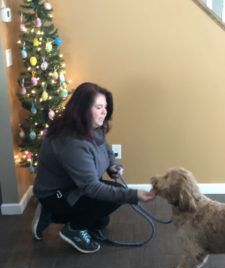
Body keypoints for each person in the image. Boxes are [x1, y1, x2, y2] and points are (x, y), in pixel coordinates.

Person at [32, 82, 155, 254]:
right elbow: (91, 187)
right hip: (57, 194)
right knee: (114, 197)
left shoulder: (93, 127)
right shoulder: (71, 142)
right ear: (82, 110)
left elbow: (105, 148)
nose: (104, 112)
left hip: (76, 186)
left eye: (105, 107)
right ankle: (70, 227)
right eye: (99, 107)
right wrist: (133, 195)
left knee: (101, 222)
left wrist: (112, 165)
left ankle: (61, 215)